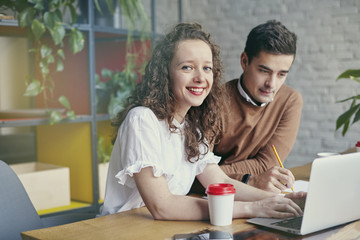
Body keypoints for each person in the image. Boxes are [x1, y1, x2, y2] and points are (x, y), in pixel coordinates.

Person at [99, 22, 305, 220]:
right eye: (187, 67)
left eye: (207, 68)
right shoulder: (142, 119)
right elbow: (162, 205)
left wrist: (281, 200)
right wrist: (253, 208)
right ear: (165, 73)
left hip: (162, 231)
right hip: (125, 229)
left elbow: (220, 181)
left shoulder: (191, 127)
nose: (200, 77)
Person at [214, 20, 303, 193]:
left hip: (255, 193)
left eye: (281, 74)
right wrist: (249, 179)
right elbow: (194, 174)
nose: (272, 84)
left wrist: (218, 172)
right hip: (211, 196)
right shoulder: (214, 101)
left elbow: (267, 164)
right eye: (264, 71)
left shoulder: (290, 101)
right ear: (244, 61)